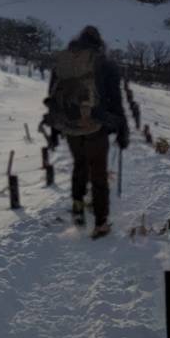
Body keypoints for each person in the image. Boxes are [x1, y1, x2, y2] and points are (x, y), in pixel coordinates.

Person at [43, 25, 128, 237]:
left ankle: (78, 207)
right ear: (99, 43)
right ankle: (100, 223)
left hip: (70, 126)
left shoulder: (64, 63)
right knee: (98, 173)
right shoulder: (106, 64)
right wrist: (122, 130)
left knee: (79, 165)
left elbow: (54, 99)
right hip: (96, 127)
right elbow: (116, 102)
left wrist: (55, 130)